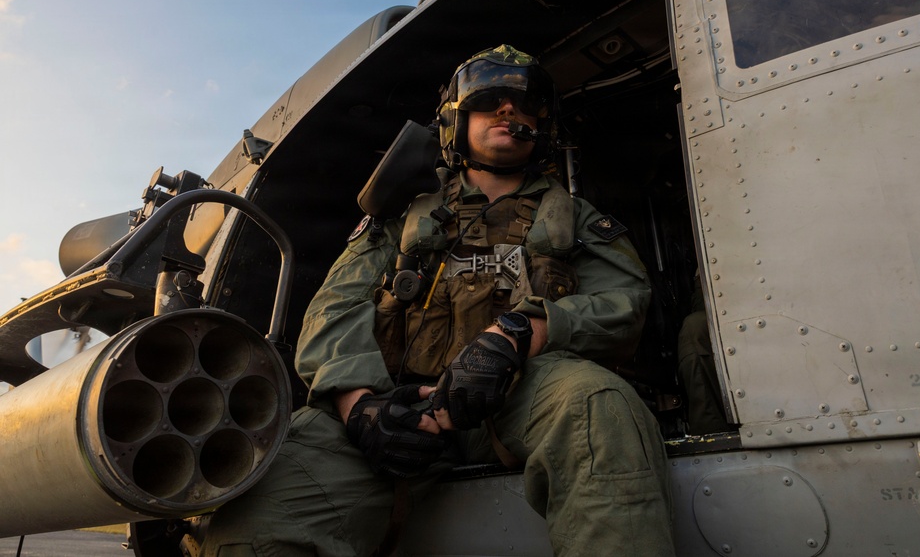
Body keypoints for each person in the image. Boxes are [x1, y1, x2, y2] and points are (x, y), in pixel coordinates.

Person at [201, 45, 674, 556]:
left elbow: (624, 301)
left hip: (523, 395)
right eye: (490, 99)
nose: (508, 110)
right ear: (455, 120)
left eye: (523, 102)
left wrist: (519, 334)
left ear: (543, 123)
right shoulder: (402, 220)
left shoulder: (577, 217)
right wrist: (360, 407)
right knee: (265, 507)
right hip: (397, 401)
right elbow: (333, 309)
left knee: (600, 408)